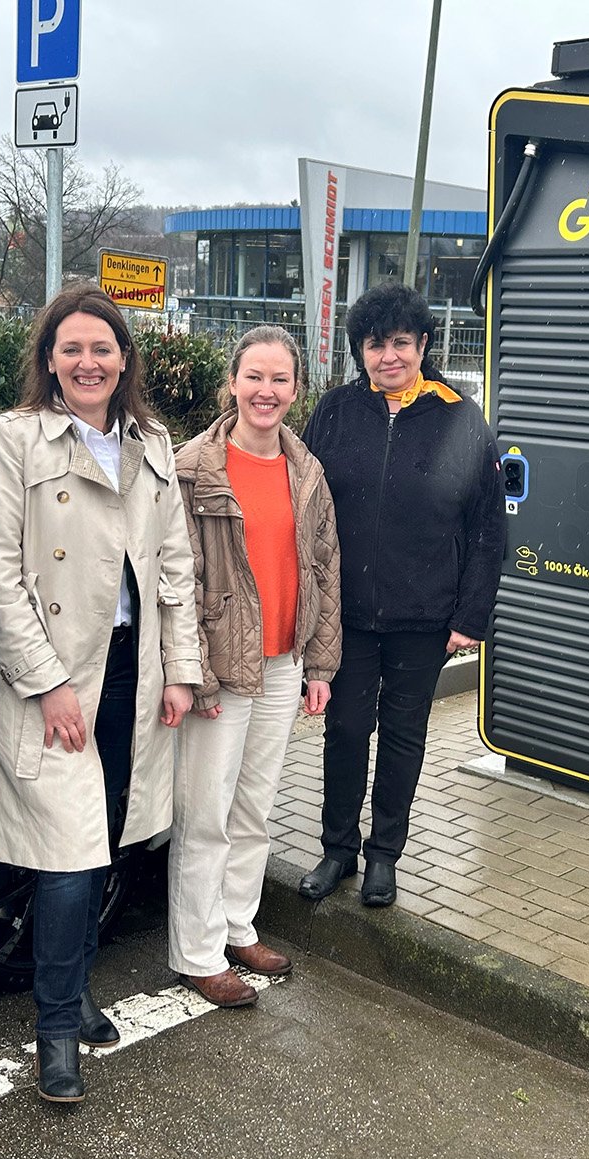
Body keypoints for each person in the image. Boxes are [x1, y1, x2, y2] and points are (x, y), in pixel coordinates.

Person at [0, 283, 200, 1103]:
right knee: (68, 860)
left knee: (111, 842)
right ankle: (55, 1030)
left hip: (133, 673)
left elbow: (174, 569)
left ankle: (76, 989)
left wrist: (181, 670)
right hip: (60, 678)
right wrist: (48, 684)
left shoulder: (153, 443)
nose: (88, 361)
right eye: (71, 348)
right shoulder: (15, 440)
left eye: (102, 348)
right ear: (49, 360)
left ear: (125, 358)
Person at [298, 282, 506, 908]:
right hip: (348, 614)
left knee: (405, 734)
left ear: (422, 345)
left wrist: (472, 616)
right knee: (345, 727)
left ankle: (385, 854)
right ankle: (337, 849)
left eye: (400, 343)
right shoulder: (335, 411)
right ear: (359, 348)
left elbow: (488, 529)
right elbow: (304, 506)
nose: (388, 356)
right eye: (374, 344)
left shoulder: (460, 417)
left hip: (426, 615)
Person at [169, 326, 342, 1007]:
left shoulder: (307, 470)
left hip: (282, 662)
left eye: (280, 380)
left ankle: (238, 926)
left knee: (254, 809)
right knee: (205, 814)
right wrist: (196, 674)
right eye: (254, 377)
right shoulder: (193, 468)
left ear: (296, 391)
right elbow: (173, 580)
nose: (266, 391)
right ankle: (196, 950)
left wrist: (319, 664)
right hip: (220, 666)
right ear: (232, 383)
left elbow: (324, 571)